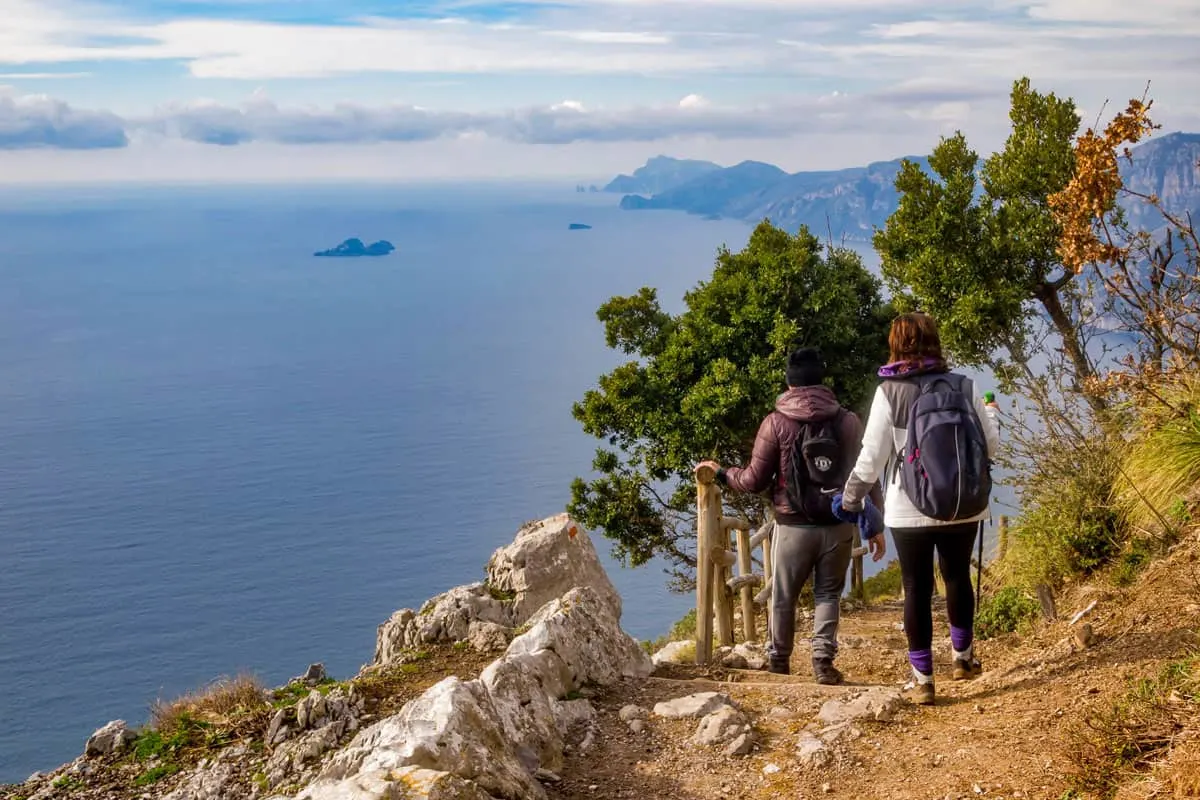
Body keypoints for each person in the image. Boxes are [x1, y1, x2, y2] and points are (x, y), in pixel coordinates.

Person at [837, 313, 1000, 705]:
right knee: (958, 576)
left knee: (916, 588)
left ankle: (924, 680)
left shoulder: (889, 392)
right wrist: (992, 416)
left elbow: (872, 458)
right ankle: (963, 659)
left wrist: (851, 498)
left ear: (895, 345)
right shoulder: (964, 385)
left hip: (907, 508)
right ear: (935, 341)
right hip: (964, 504)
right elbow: (991, 448)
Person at [697, 347, 883, 684]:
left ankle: (779, 663)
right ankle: (823, 663)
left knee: (784, 595)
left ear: (790, 382)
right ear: (821, 379)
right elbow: (866, 474)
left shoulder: (775, 422)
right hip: (838, 521)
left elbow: (753, 480)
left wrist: (723, 472)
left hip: (792, 524)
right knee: (828, 594)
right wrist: (876, 523)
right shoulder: (848, 421)